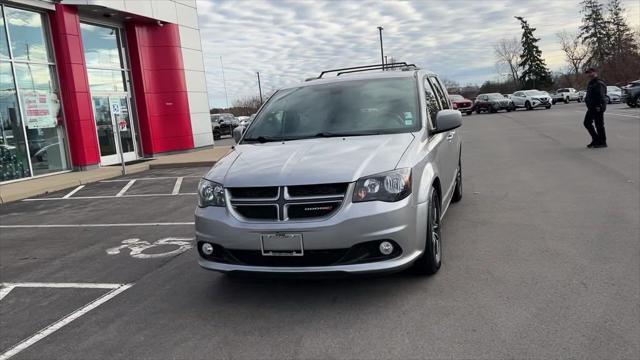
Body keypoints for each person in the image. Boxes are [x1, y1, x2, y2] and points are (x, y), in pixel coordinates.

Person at [583, 67, 608, 148]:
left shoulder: (599, 83)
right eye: (588, 73)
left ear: (595, 72)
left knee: (599, 125)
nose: (589, 74)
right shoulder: (591, 83)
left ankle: (602, 142)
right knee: (587, 123)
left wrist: (599, 106)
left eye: (590, 72)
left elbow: (601, 95)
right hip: (591, 107)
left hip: (598, 107)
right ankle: (596, 139)